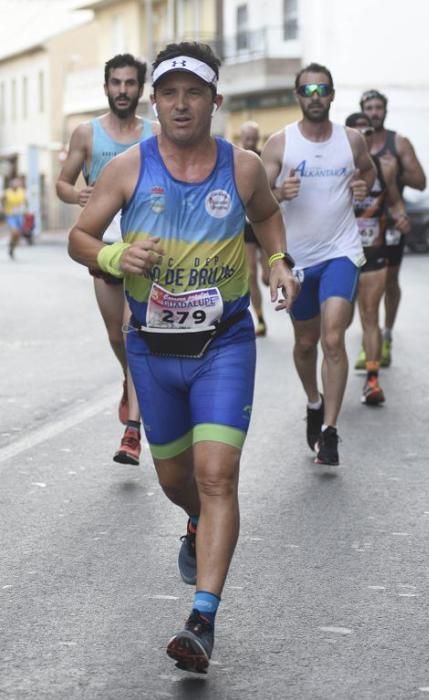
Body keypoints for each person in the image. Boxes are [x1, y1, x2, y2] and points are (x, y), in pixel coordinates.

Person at [68, 41, 299, 674]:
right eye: (167, 93)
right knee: (178, 482)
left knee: (219, 474)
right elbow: (80, 238)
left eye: (193, 92)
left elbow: (270, 220)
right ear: (154, 101)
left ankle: (202, 618)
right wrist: (115, 257)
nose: (179, 104)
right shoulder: (129, 169)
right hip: (151, 346)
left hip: (222, 343)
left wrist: (277, 263)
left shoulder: (243, 167)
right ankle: (196, 521)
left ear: (214, 101)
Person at [262, 63, 376, 466]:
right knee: (306, 342)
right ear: (297, 96)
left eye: (322, 89)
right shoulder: (280, 144)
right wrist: (280, 191)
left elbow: (368, 172)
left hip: (342, 251)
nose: (315, 96)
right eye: (307, 89)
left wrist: (363, 186)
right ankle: (313, 401)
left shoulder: (352, 140)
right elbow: (257, 202)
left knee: (332, 338)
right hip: (299, 261)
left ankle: (330, 431)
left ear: (331, 95)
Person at [56, 53, 159, 465]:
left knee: (133, 332)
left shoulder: (155, 132)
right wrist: (78, 195)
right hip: (102, 249)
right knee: (118, 337)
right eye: (116, 83)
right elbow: (63, 183)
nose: (122, 90)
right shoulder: (87, 134)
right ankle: (128, 379)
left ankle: (132, 431)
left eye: (130, 83)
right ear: (106, 88)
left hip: (147, 250)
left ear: (140, 89)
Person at [358, 89, 426, 367]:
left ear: (385, 111)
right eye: (369, 108)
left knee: (389, 281)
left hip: (390, 220)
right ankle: (369, 341)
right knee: (362, 285)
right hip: (361, 222)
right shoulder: (355, 141)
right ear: (362, 110)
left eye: (378, 108)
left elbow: (421, 181)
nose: (374, 112)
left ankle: (386, 334)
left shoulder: (397, 142)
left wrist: (395, 170)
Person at [345, 113, 410, 405]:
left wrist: (401, 216)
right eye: (357, 133)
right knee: (338, 322)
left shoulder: (384, 168)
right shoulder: (337, 168)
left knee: (370, 314)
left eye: (368, 132)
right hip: (341, 255)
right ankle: (331, 375)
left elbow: (395, 201)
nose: (364, 138)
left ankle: (372, 381)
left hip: (374, 252)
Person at [238, 120, 269, 336]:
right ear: (241, 139)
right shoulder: (235, 159)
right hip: (245, 225)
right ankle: (260, 318)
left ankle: (269, 271)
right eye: (246, 138)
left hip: (263, 221)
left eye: (253, 138)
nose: (250, 142)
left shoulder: (264, 160)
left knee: (266, 276)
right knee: (251, 272)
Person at [3, 176, 27, 259]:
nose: (16, 184)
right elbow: (2, 201)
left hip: (20, 215)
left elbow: (25, 202)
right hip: (11, 215)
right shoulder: (7, 192)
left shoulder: (22, 192)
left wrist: (26, 210)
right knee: (14, 232)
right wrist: (3, 209)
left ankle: (12, 248)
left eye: (18, 182)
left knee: (17, 236)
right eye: (14, 183)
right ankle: (11, 244)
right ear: (11, 184)